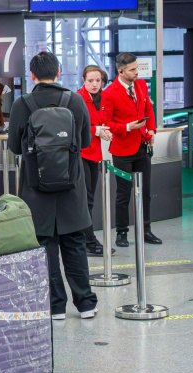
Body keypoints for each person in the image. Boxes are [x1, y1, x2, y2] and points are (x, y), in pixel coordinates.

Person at [8, 52, 98, 321]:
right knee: (75, 241)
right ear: (58, 72)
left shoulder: (22, 104)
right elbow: (85, 142)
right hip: (71, 184)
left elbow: (14, 147)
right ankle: (86, 304)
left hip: (36, 187)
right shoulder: (75, 100)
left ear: (32, 75)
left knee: (44, 244)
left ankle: (55, 306)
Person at [103, 52, 162, 248]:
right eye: (133, 70)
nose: (137, 72)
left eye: (137, 68)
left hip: (142, 146)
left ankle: (146, 230)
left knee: (145, 192)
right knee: (123, 194)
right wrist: (127, 127)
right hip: (122, 150)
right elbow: (107, 123)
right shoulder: (109, 93)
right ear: (120, 71)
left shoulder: (141, 85)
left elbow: (148, 109)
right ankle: (121, 233)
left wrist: (151, 130)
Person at [76, 65, 113, 257]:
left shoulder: (102, 98)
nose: (95, 84)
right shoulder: (77, 99)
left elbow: (103, 121)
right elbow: (76, 127)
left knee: (90, 199)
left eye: (98, 80)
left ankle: (87, 239)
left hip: (95, 154)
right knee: (85, 199)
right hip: (81, 153)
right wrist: (97, 130)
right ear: (83, 80)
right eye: (90, 80)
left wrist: (103, 131)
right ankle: (89, 241)